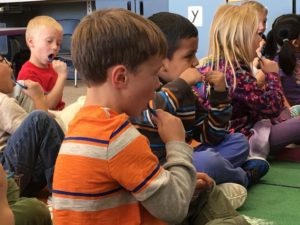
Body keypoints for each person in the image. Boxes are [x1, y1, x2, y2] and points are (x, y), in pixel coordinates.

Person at [52, 9, 249, 225]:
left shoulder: (82, 124)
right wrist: (176, 144)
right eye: (154, 74)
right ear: (121, 77)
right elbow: (174, 208)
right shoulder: (117, 135)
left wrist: (173, 179)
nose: (157, 84)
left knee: (202, 190)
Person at [131, 11, 255, 191]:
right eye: (189, 56)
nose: (196, 62)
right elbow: (150, 111)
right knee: (208, 161)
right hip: (161, 168)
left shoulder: (187, 94)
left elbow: (210, 136)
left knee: (239, 142)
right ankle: (243, 176)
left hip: (188, 156)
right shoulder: (144, 90)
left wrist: (219, 96)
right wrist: (181, 83)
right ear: (162, 62)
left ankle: (216, 175)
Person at [200, 4, 300, 161]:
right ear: (241, 39)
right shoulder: (235, 74)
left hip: (243, 135)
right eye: (258, 34)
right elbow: (273, 107)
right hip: (250, 138)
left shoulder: (212, 67)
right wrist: (273, 75)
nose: (261, 40)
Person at [0, 54, 65, 196]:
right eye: (3, 60)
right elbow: (39, 129)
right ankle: (64, 191)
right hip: (7, 178)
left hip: (15, 179)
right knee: (39, 119)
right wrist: (38, 98)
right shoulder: (2, 102)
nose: (10, 63)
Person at [17, 15, 67, 110]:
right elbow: (47, 108)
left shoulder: (52, 68)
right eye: (49, 41)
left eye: (58, 43)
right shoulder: (28, 74)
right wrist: (62, 77)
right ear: (31, 42)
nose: (55, 47)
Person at [264, 14, 300, 106]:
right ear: (295, 42)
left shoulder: (275, 62)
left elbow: (279, 93)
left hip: (290, 115)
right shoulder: (275, 64)